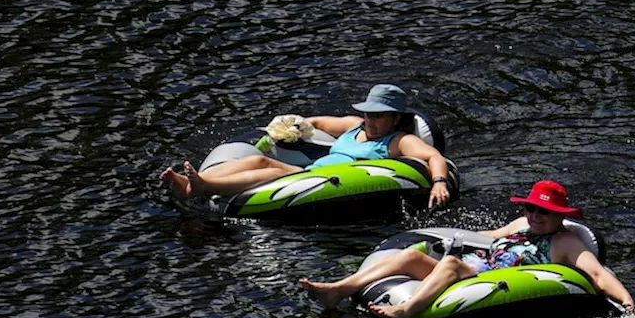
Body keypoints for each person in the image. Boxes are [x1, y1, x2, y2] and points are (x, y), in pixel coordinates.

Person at [299, 180, 635, 318]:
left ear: (560, 216)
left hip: (496, 282)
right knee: (409, 257)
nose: (536, 216)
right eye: (532, 209)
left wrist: (629, 306)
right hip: (477, 268)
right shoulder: (520, 225)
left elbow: (598, 275)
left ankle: (406, 312)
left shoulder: (566, 242)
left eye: (544, 213)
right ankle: (338, 290)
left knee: (449, 264)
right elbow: (483, 238)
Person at [159, 84, 453, 209]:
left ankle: (202, 186)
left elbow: (432, 156)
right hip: (312, 171)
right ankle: (198, 182)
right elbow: (320, 123)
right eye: (367, 112)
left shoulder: (398, 141)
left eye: (377, 115)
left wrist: (439, 181)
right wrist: (294, 126)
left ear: (394, 118)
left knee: (266, 169)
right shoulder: (355, 126)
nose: (370, 119)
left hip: (332, 183)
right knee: (259, 161)